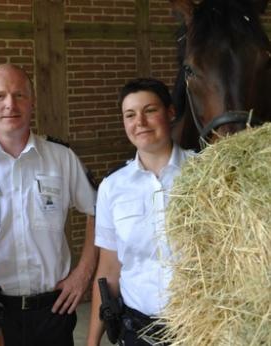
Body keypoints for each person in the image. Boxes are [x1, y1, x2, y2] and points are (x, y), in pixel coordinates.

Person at [0, 64, 98, 346]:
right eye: (0, 96)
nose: (10, 104)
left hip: (52, 311)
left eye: (19, 95)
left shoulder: (61, 157)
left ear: (32, 102)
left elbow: (97, 211)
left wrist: (82, 275)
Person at [86, 78, 195, 346]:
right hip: (138, 331)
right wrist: (91, 341)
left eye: (150, 111)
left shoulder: (203, 171)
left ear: (170, 113)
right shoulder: (113, 187)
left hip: (199, 330)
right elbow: (109, 269)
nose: (140, 122)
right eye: (130, 115)